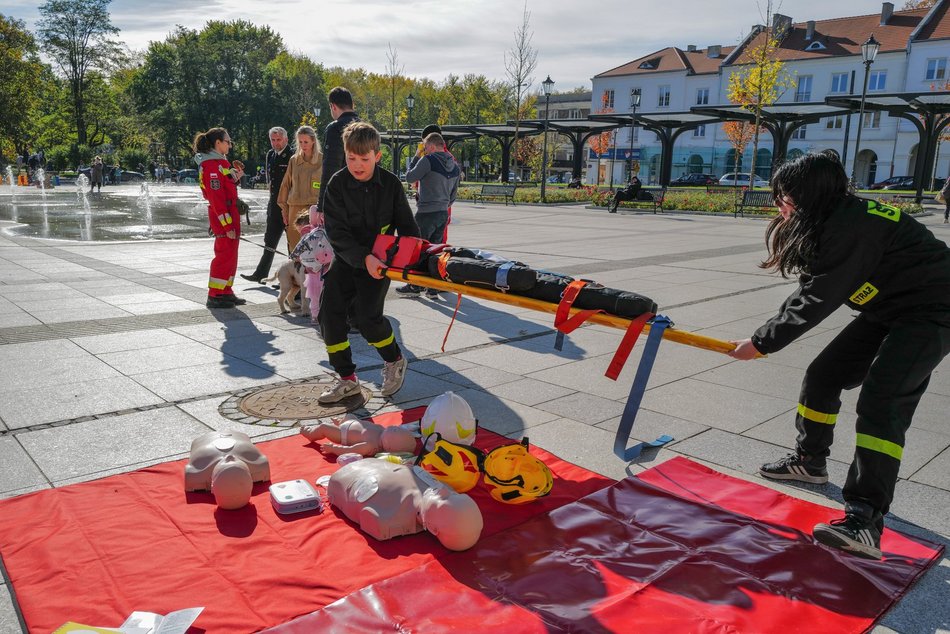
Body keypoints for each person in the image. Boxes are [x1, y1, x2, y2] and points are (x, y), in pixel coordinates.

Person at [728, 152, 950, 560]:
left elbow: (820, 295)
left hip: (933, 310)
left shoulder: (852, 225)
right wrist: (764, 338)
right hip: (888, 307)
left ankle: (865, 519)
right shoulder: (835, 218)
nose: (779, 204)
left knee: (883, 402)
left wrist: (762, 342)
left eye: (783, 196)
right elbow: (813, 285)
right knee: (824, 376)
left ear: (805, 194)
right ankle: (810, 462)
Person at [318, 122, 419, 404]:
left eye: (364, 159)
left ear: (377, 155)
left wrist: (408, 260)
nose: (357, 165)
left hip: (378, 266)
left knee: (367, 320)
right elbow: (336, 233)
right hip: (348, 260)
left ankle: (394, 360)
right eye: (351, 158)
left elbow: (409, 230)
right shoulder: (337, 184)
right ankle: (347, 379)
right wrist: (363, 257)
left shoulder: (390, 186)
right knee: (329, 317)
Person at [397, 132, 460, 298]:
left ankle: (415, 286)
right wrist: (444, 205)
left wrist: (417, 157)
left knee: (417, 249)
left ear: (431, 146)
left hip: (426, 212)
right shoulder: (454, 165)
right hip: (442, 214)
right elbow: (453, 195)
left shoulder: (428, 160)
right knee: (435, 251)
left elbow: (409, 177)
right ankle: (432, 288)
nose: (424, 150)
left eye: (425, 147)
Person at [193, 127, 246, 309]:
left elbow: (226, 186)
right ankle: (215, 294)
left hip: (231, 213)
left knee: (231, 255)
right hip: (225, 216)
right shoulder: (211, 166)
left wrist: (236, 178)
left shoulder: (220, 163)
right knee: (224, 255)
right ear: (218, 143)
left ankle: (226, 291)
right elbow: (217, 200)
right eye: (227, 141)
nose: (229, 145)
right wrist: (227, 225)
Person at [241, 127, 292, 283]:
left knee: (293, 244)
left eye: (278, 140)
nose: (275, 143)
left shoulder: (293, 155)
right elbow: (271, 180)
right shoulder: (270, 154)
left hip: (289, 206)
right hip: (273, 205)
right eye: (273, 140)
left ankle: (291, 279)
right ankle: (261, 273)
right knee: (269, 241)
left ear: (286, 140)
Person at [277, 126, 323, 254]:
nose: (303, 145)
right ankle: (296, 272)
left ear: (313, 141)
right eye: (300, 142)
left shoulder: (322, 160)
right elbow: (285, 185)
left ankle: (314, 274)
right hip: (295, 209)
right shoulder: (294, 160)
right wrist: (284, 210)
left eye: (306, 142)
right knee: (295, 245)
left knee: (314, 247)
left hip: (314, 209)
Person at [318, 86, 360, 214]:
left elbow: (330, 168)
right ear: (352, 104)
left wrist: (322, 205)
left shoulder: (335, 128)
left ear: (333, 106)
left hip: (342, 198)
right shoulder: (366, 127)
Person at [299, 414, 416, 456]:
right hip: (352, 422)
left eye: (396, 432)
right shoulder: (383, 431)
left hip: (342, 434)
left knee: (324, 427)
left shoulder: (370, 445)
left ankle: (310, 433)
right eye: (398, 430)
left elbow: (351, 450)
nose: (396, 428)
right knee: (350, 415)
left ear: (389, 447)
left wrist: (334, 448)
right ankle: (342, 421)